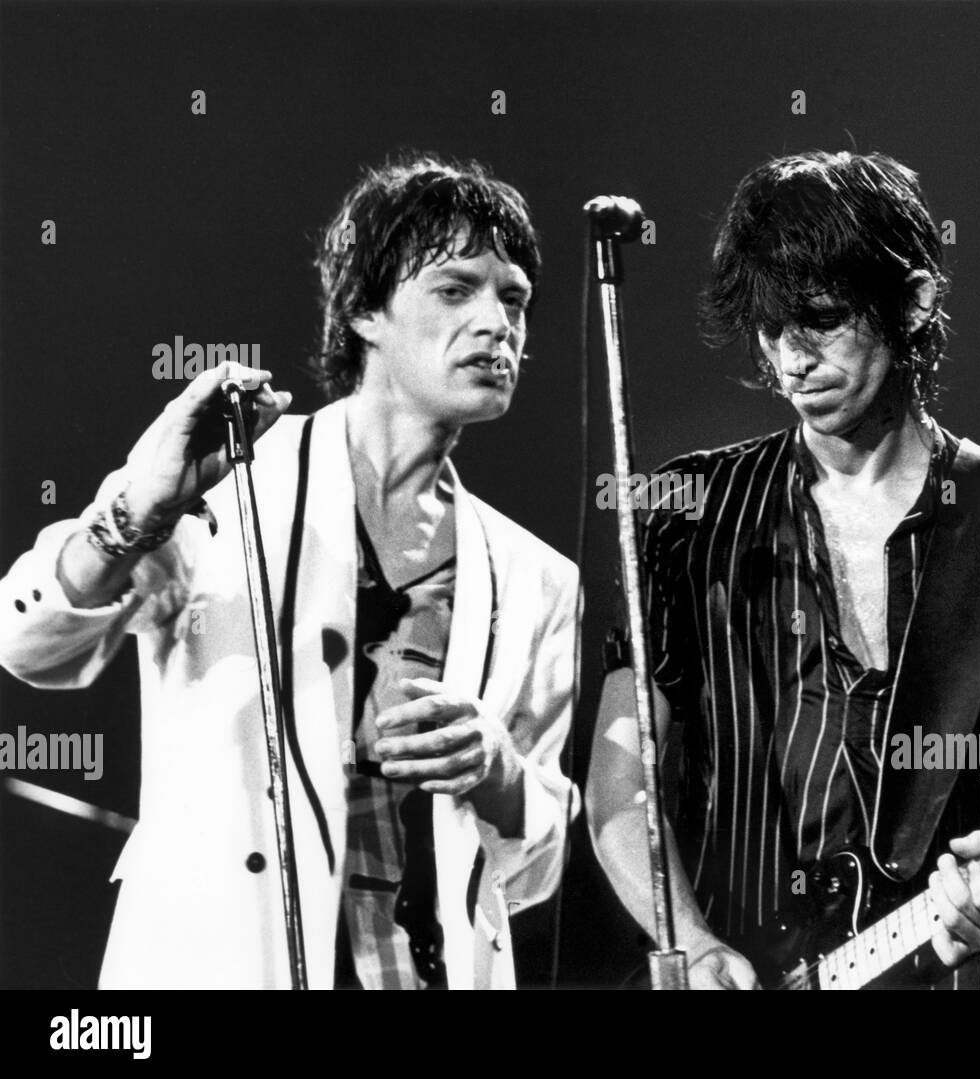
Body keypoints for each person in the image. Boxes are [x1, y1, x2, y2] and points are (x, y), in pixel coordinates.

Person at [0, 152, 579, 989]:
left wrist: (496, 770)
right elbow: (26, 642)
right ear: (365, 313)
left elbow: (537, 864)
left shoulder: (537, 576)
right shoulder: (231, 476)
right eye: (456, 289)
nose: (498, 323)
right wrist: (135, 511)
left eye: (514, 298)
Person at [587, 150, 980, 989]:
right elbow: (620, 779)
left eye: (822, 319)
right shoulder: (686, 514)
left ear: (913, 301)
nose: (792, 359)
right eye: (769, 329)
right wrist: (685, 937)